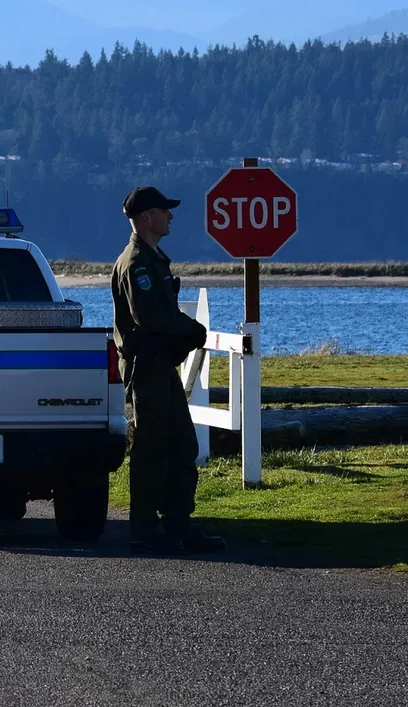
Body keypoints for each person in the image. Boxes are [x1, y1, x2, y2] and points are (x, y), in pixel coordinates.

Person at [111, 186, 226, 555]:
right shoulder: (137, 263)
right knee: (151, 449)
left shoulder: (153, 259)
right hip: (148, 368)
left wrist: (183, 333)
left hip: (162, 365)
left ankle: (178, 525)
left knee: (182, 445)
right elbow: (150, 317)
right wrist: (187, 329)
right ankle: (145, 529)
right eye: (164, 210)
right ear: (147, 216)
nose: (170, 216)